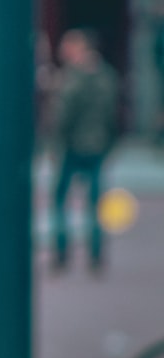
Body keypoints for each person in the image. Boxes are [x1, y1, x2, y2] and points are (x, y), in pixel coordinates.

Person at [51, 27, 120, 272]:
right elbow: (113, 116)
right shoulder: (106, 75)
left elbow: (63, 115)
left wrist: (56, 139)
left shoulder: (72, 78)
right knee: (94, 202)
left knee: (60, 201)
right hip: (98, 145)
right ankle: (96, 256)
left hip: (73, 145)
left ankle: (61, 254)